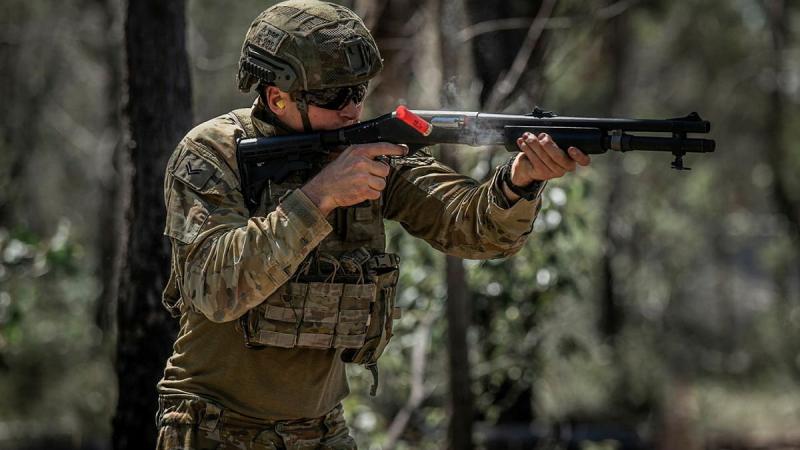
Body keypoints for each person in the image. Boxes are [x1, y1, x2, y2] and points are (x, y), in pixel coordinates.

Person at [155, 1, 591, 449]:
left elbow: (472, 227)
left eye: (358, 92)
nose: (351, 109)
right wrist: (320, 196)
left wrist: (520, 183)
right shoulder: (213, 154)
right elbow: (215, 288)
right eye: (332, 97)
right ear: (276, 97)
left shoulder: (369, 150)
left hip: (322, 431)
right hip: (213, 428)